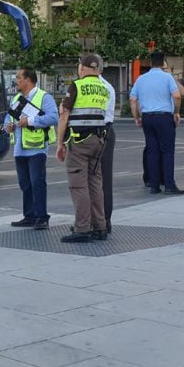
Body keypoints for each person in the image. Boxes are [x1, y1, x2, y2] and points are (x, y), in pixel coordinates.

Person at [56, 54, 111, 243]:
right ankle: (100, 227)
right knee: (95, 183)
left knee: (78, 185)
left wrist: (59, 143)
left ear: (83, 68)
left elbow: (64, 116)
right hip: (99, 140)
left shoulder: (77, 86)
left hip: (79, 141)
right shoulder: (104, 88)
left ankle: (82, 228)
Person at [3, 67, 59, 229]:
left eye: (19, 77)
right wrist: (9, 127)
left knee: (37, 182)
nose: (16, 81)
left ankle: (42, 217)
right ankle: (29, 215)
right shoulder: (17, 99)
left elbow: (54, 117)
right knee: (25, 183)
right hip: (20, 148)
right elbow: (7, 120)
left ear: (28, 79)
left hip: (37, 148)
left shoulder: (43, 97)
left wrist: (31, 121)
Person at [130, 51, 184, 195]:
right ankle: (169, 185)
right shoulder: (167, 77)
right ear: (162, 63)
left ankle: (154, 185)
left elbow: (133, 99)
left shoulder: (141, 79)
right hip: (164, 117)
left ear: (150, 62)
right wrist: (176, 112)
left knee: (152, 151)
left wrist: (136, 117)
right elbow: (177, 96)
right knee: (167, 152)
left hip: (147, 117)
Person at [98, 68, 117, 234]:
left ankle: (99, 220)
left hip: (97, 132)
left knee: (95, 179)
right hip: (106, 131)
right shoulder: (108, 86)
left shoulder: (88, 87)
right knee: (104, 178)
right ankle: (104, 219)